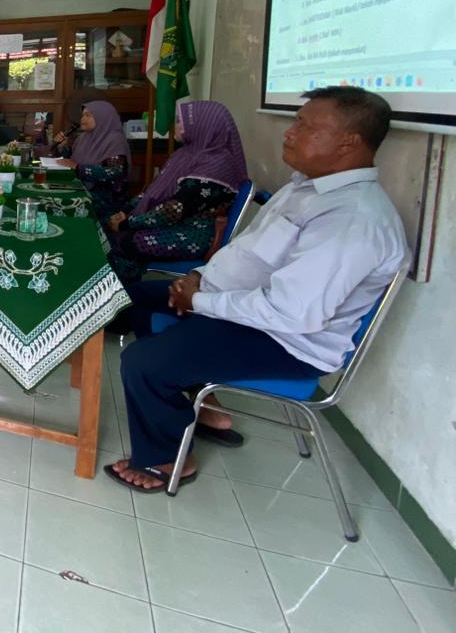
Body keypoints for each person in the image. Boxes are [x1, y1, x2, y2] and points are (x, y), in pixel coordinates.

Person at [106, 87, 407, 493]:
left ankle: (166, 458)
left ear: (348, 142)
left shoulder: (353, 219)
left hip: (283, 340)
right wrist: (197, 279)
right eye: (296, 122)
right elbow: (245, 256)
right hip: (237, 307)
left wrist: (200, 301)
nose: (290, 133)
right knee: (131, 299)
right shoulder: (304, 188)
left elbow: (293, 312)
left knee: (143, 361)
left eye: (305, 126)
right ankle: (197, 403)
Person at [106, 101, 248, 283]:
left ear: (202, 125)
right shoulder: (185, 154)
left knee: (124, 242)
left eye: (181, 121)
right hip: (170, 222)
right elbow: (152, 191)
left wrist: (128, 223)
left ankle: (125, 294)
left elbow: (176, 209)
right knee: (108, 231)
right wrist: (126, 211)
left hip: (193, 233)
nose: (176, 126)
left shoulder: (217, 163)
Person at [54, 100, 130, 221]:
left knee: (57, 206)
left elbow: (114, 172)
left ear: (102, 117)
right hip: (81, 189)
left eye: (88, 115)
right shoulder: (83, 137)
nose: (83, 119)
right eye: (83, 115)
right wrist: (62, 148)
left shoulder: (114, 139)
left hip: (104, 200)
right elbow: (72, 161)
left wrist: (78, 168)